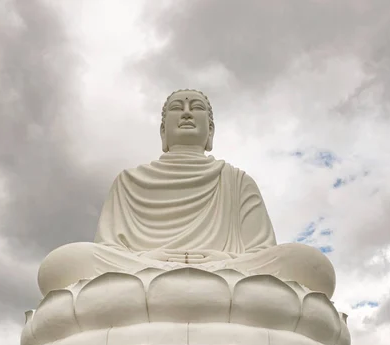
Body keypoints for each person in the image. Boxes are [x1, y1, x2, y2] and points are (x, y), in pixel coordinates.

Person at [37, 89, 335, 300]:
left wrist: (222, 259)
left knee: (310, 265)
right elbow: (111, 250)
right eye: (178, 108)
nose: (188, 113)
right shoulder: (128, 180)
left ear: (211, 132)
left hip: (225, 270)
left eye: (197, 108)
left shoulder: (236, 180)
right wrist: (150, 258)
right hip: (143, 271)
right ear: (163, 131)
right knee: (61, 265)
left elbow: (259, 251)